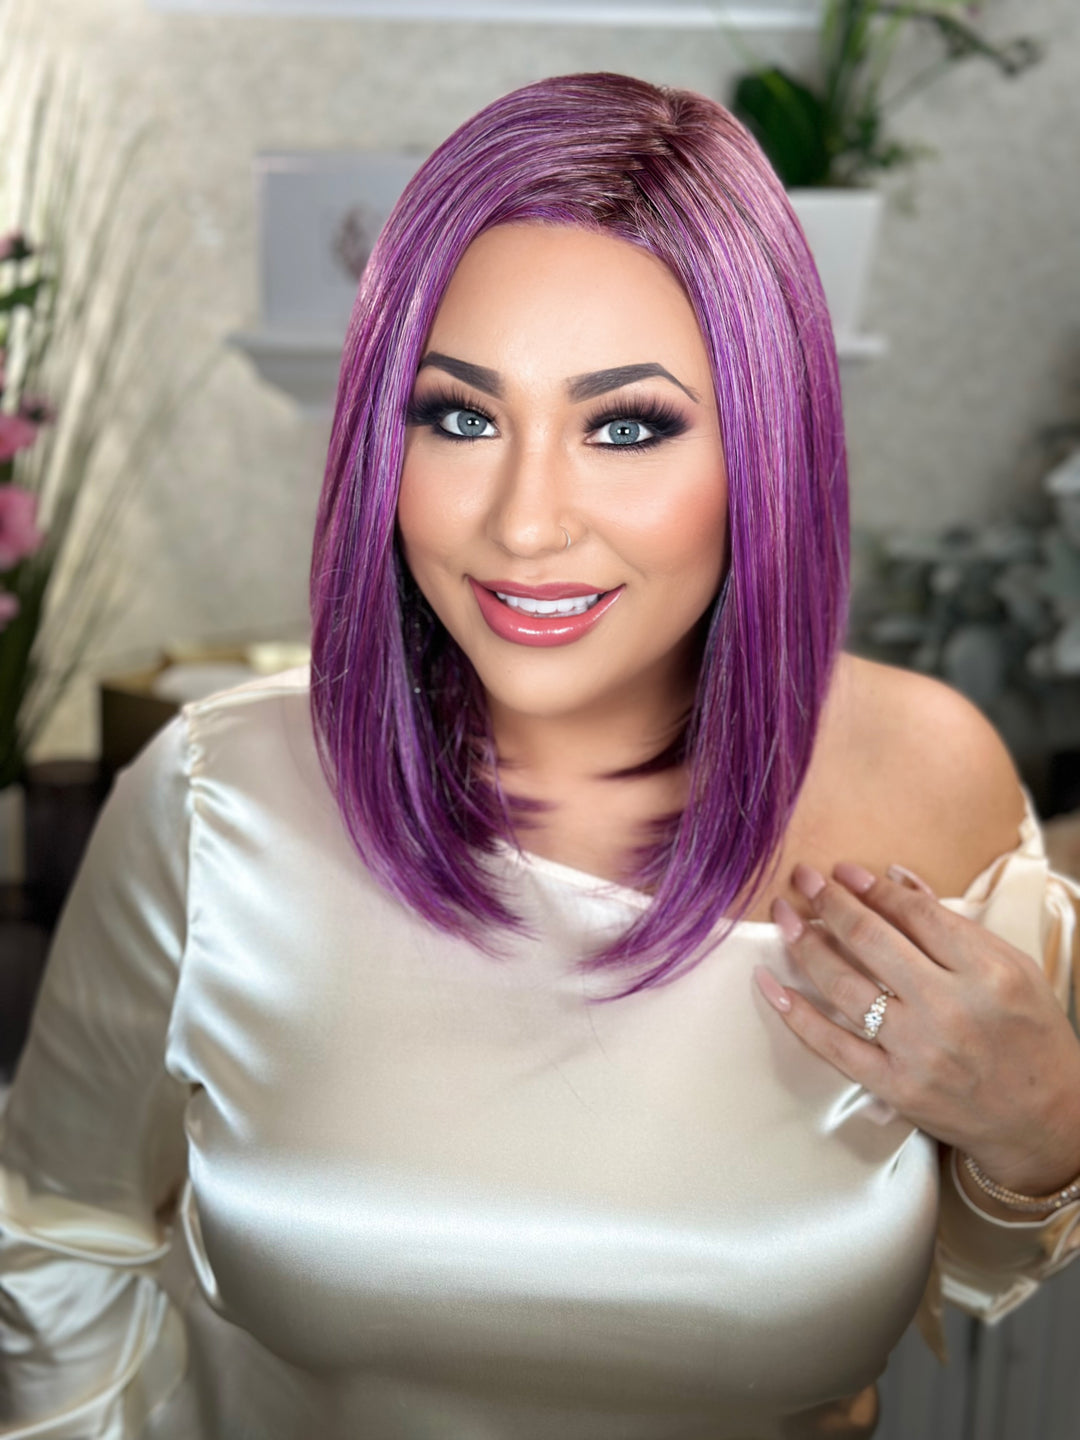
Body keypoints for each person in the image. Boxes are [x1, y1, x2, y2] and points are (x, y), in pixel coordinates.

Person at [2, 71, 1079, 1440]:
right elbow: (57, 1241)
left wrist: (1049, 1131)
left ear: (766, 447)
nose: (524, 523)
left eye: (625, 427)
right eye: (461, 417)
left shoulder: (926, 781)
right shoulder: (220, 801)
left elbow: (974, 1257)